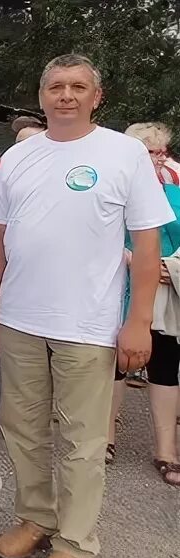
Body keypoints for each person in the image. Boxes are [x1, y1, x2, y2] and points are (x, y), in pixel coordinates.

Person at [0, 54, 174, 558]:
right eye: (56, 87)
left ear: (96, 96)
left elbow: (148, 242)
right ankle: (37, 517)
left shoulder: (124, 153)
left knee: (82, 442)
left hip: (88, 325)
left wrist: (138, 322)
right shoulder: (17, 160)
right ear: (41, 97)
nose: (66, 95)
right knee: (24, 430)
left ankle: (76, 542)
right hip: (19, 319)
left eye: (77, 87)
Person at [104, 122, 180, 485]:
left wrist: (172, 267)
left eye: (162, 150)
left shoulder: (176, 194)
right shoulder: (113, 192)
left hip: (164, 296)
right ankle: (106, 437)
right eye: (151, 151)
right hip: (118, 290)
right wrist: (131, 258)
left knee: (165, 368)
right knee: (114, 365)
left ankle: (167, 450)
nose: (159, 157)